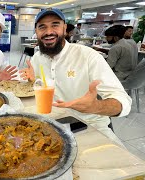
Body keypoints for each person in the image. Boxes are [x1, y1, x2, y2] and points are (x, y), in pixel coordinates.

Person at [19, 8, 131, 146]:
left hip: (89, 126)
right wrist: (32, 81)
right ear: (36, 31)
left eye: (55, 24)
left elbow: (123, 102)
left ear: (65, 28)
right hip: (50, 125)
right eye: (42, 26)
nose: (48, 32)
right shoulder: (37, 58)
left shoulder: (88, 56)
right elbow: (40, 88)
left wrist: (96, 106)